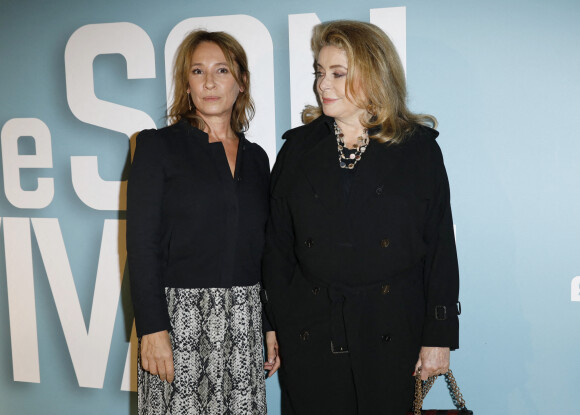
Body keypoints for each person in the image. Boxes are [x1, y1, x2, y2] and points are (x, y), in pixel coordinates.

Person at [262, 20, 461, 414]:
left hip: (389, 327)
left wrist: (438, 336)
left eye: (338, 74)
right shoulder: (297, 149)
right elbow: (277, 248)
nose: (323, 85)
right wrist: (271, 323)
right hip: (310, 329)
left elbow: (440, 247)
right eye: (320, 73)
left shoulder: (418, 149)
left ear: (374, 75)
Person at [127, 30, 279, 415]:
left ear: (241, 81)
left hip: (244, 321)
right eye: (198, 71)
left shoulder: (258, 159)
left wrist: (270, 324)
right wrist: (152, 330)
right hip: (178, 323)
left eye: (222, 70)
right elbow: (141, 246)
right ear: (187, 82)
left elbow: (265, 249)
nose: (209, 82)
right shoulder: (156, 147)